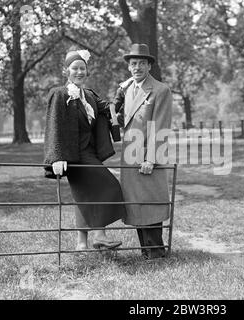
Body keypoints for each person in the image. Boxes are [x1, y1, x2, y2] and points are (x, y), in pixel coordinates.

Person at [43, 47, 126, 251]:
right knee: (110, 186)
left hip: (89, 152)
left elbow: (108, 109)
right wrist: (57, 156)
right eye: (75, 68)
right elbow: (54, 124)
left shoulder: (89, 96)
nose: (79, 72)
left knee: (85, 195)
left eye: (83, 68)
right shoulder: (59, 94)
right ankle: (100, 235)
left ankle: (81, 245)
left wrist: (122, 93)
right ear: (66, 71)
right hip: (72, 155)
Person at [115, 43, 173, 259]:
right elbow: (124, 120)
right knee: (136, 204)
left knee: (151, 202)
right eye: (133, 64)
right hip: (129, 157)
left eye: (141, 63)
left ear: (149, 66)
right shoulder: (127, 89)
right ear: (129, 67)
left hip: (148, 157)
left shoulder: (160, 90)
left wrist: (152, 158)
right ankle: (145, 251)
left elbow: (161, 126)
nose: (137, 67)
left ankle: (156, 251)